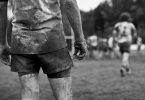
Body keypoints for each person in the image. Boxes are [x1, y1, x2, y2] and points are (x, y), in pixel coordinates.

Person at [0, 0, 88, 100]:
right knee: (63, 94)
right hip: (53, 38)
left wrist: (2, 44)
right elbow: (69, 2)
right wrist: (80, 39)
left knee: (29, 93)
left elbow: (2, 5)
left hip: (22, 40)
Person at [113, 12, 137, 77]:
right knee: (125, 56)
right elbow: (135, 34)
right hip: (127, 41)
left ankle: (128, 69)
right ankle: (122, 68)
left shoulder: (117, 24)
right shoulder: (131, 24)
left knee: (124, 57)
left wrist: (115, 40)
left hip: (120, 42)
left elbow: (114, 33)